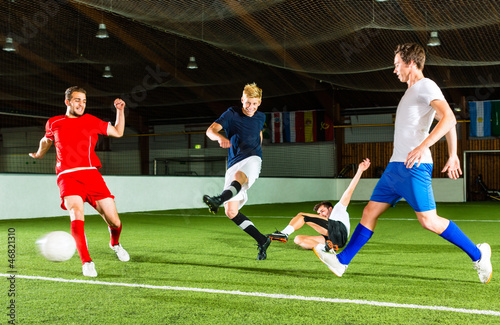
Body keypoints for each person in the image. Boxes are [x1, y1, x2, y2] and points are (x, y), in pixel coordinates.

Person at [314, 43, 492, 284]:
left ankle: (479, 255)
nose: (394, 69)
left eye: (397, 64)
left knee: (429, 221)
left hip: (414, 169)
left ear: (410, 64)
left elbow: (449, 117)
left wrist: (429, 147)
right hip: (394, 168)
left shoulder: (426, 86)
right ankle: (342, 261)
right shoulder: (411, 92)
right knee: (369, 212)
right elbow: (449, 122)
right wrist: (452, 154)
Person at [30, 86, 130, 277]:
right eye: (77, 100)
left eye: (84, 101)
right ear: (67, 102)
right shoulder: (54, 122)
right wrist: (39, 154)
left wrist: (120, 110)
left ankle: (115, 244)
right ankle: (87, 262)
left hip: (92, 175)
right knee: (76, 212)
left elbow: (118, 132)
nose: (81, 104)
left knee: (115, 222)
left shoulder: (91, 120)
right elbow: (46, 141)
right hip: (67, 175)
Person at [202, 83, 271, 260]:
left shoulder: (261, 117)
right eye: (248, 103)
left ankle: (218, 198)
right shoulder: (232, 113)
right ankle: (262, 240)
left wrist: (257, 153)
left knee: (239, 177)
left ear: (260, 103)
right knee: (231, 212)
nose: (251, 107)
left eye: (255, 103)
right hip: (234, 162)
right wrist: (219, 138)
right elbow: (211, 130)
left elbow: (259, 135)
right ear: (242, 100)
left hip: (253, 159)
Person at [268, 159, 371, 252]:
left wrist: (360, 171)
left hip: (339, 230)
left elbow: (350, 190)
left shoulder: (338, 208)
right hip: (337, 241)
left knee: (302, 215)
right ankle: (326, 248)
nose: (321, 214)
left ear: (330, 209)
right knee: (298, 239)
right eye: (319, 213)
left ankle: (284, 233)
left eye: (322, 211)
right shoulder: (326, 227)